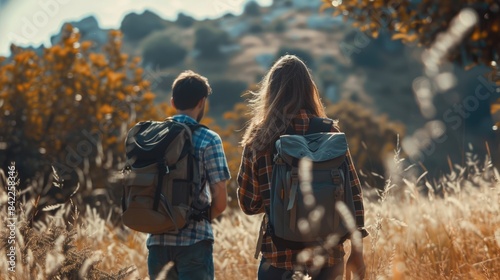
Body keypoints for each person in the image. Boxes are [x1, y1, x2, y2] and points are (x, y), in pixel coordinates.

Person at [237, 55, 368, 280]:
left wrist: (281, 200)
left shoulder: (259, 139)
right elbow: (353, 196)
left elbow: (248, 204)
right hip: (328, 259)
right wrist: (357, 253)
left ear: (271, 91)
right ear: (310, 90)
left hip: (278, 260)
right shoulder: (331, 135)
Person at [147, 70, 231, 280]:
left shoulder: (150, 137)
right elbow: (220, 202)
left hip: (156, 241)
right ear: (202, 102)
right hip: (194, 242)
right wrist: (190, 220)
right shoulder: (209, 139)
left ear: (173, 102)